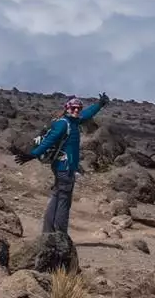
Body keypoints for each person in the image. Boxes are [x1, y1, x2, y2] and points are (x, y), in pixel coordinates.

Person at [14, 92, 110, 235]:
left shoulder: (75, 121)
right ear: (67, 108)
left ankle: (48, 232)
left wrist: (99, 104)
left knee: (57, 197)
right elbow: (49, 141)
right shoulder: (63, 124)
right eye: (73, 108)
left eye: (78, 108)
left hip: (66, 167)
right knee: (64, 201)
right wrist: (32, 155)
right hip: (63, 168)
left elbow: (87, 114)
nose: (76, 110)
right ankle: (60, 234)